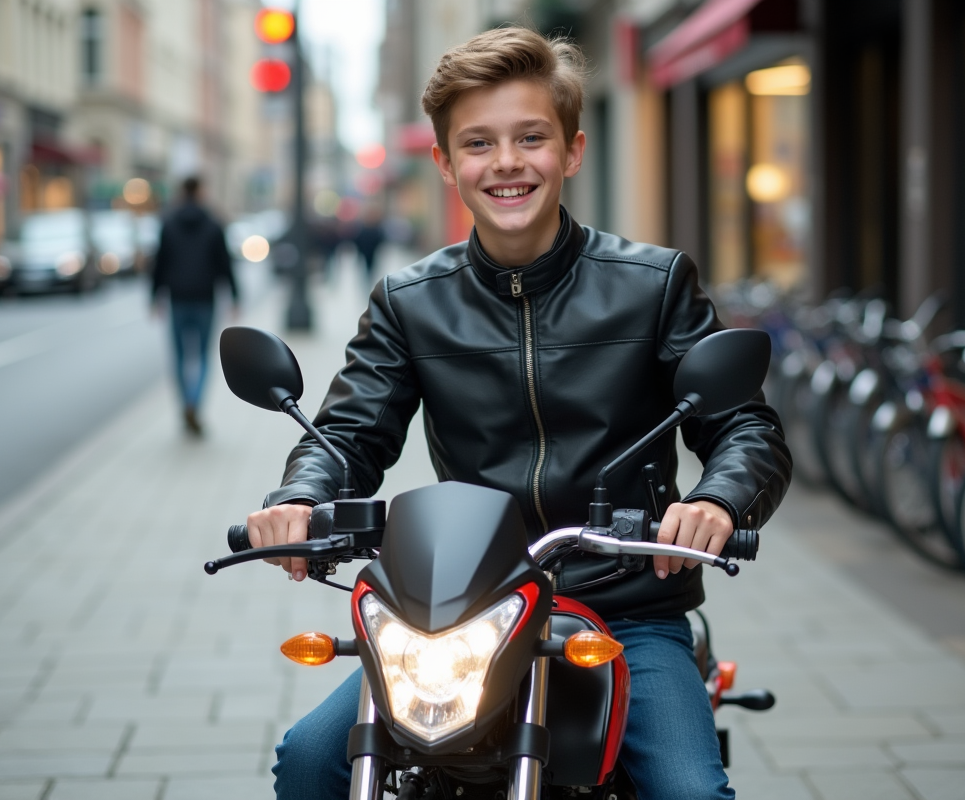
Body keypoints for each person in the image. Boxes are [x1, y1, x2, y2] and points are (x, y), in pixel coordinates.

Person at [248, 27, 790, 799]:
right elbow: (346, 432)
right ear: (444, 164)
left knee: (689, 792)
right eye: (478, 143)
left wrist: (715, 499)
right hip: (460, 610)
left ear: (570, 150)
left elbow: (745, 427)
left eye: (530, 137)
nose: (506, 162)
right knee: (309, 760)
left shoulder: (654, 283)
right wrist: (300, 497)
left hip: (627, 606)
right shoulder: (408, 302)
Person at [151, 176, 238, 436]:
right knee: (201, 356)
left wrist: (154, 296)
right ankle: (194, 401)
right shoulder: (213, 223)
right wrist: (235, 295)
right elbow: (225, 263)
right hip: (204, 298)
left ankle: (185, 403)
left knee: (179, 357)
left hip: (177, 298)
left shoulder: (168, 222)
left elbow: (160, 263)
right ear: (199, 192)